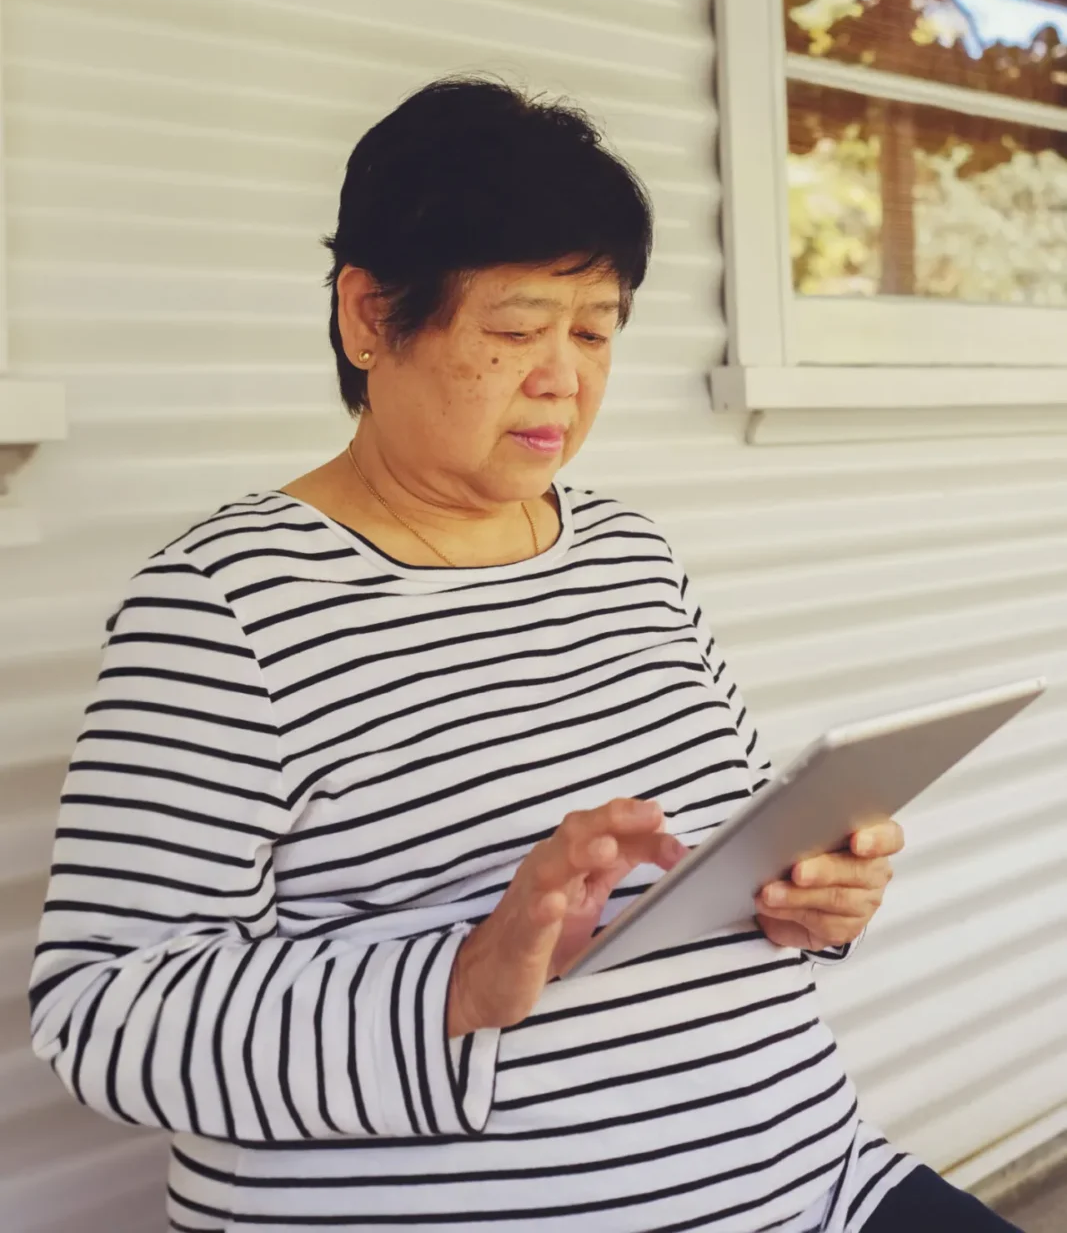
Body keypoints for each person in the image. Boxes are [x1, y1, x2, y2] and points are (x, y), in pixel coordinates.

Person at [30, 78, 1020, 1232]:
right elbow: (102, 1013)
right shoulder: (225, 605)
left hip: (814, 1185)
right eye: (512, 330)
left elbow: (719, 843)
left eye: (595, 329)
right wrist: (462, 977)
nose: (564, 375)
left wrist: (813, 897)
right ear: (368, 316)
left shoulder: (626, 555)